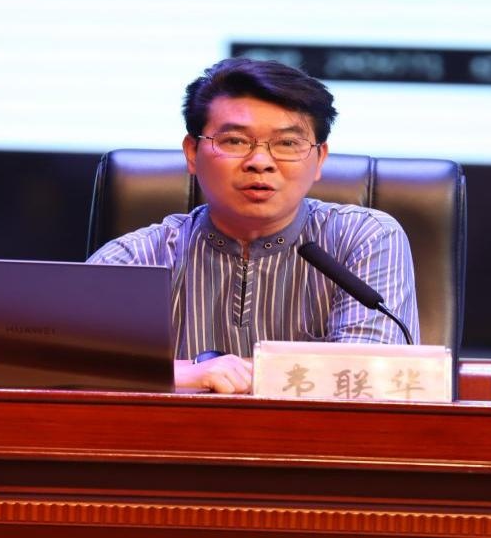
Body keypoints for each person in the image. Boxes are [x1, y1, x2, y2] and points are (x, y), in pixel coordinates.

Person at [88, 58, 418, 393]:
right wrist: (180, 375)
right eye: (235, 141)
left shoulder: (364, 239)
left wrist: (165, 372)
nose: (260, 162)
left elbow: (367, 379)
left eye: (287, 143)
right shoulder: (136, 257)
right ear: (192, 152)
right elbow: (65, 366)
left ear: (319, 159)